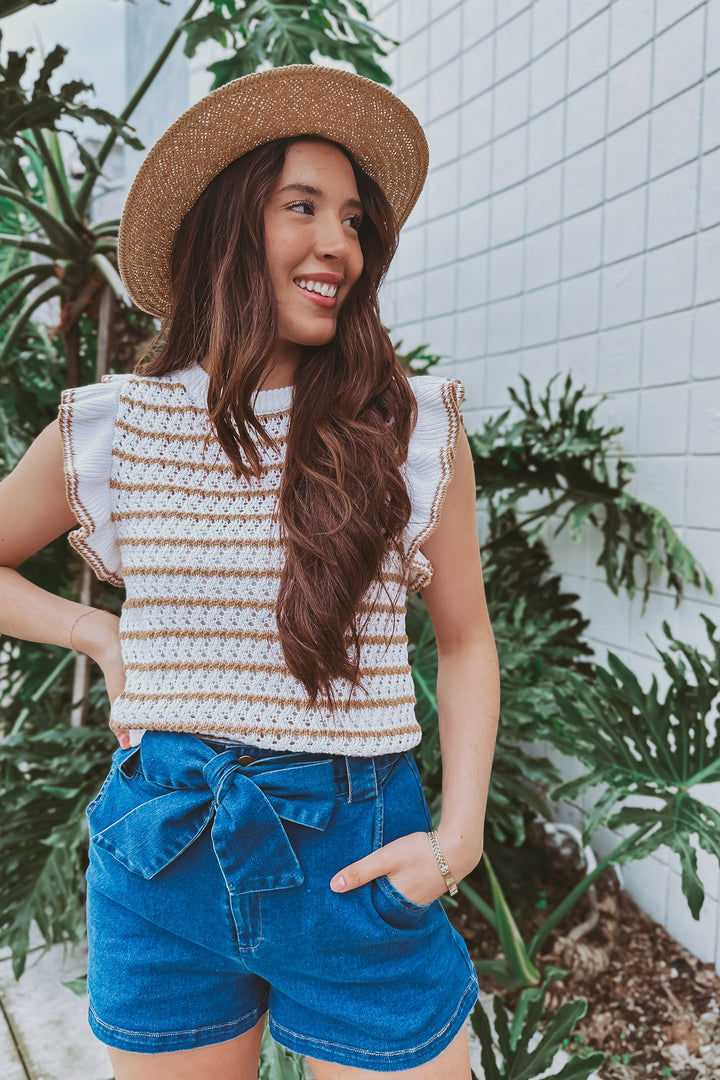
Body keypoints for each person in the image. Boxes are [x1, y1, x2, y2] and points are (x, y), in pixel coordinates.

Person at [0, 65, 500, 1078]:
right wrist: (100, 634)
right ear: (227, 228)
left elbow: (466, 639)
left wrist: (458, 837)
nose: (338, 247)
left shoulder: (410, 429)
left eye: (354, 220)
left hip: (359, 862)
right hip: (163, 862)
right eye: (301, 208)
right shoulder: (113, 428)